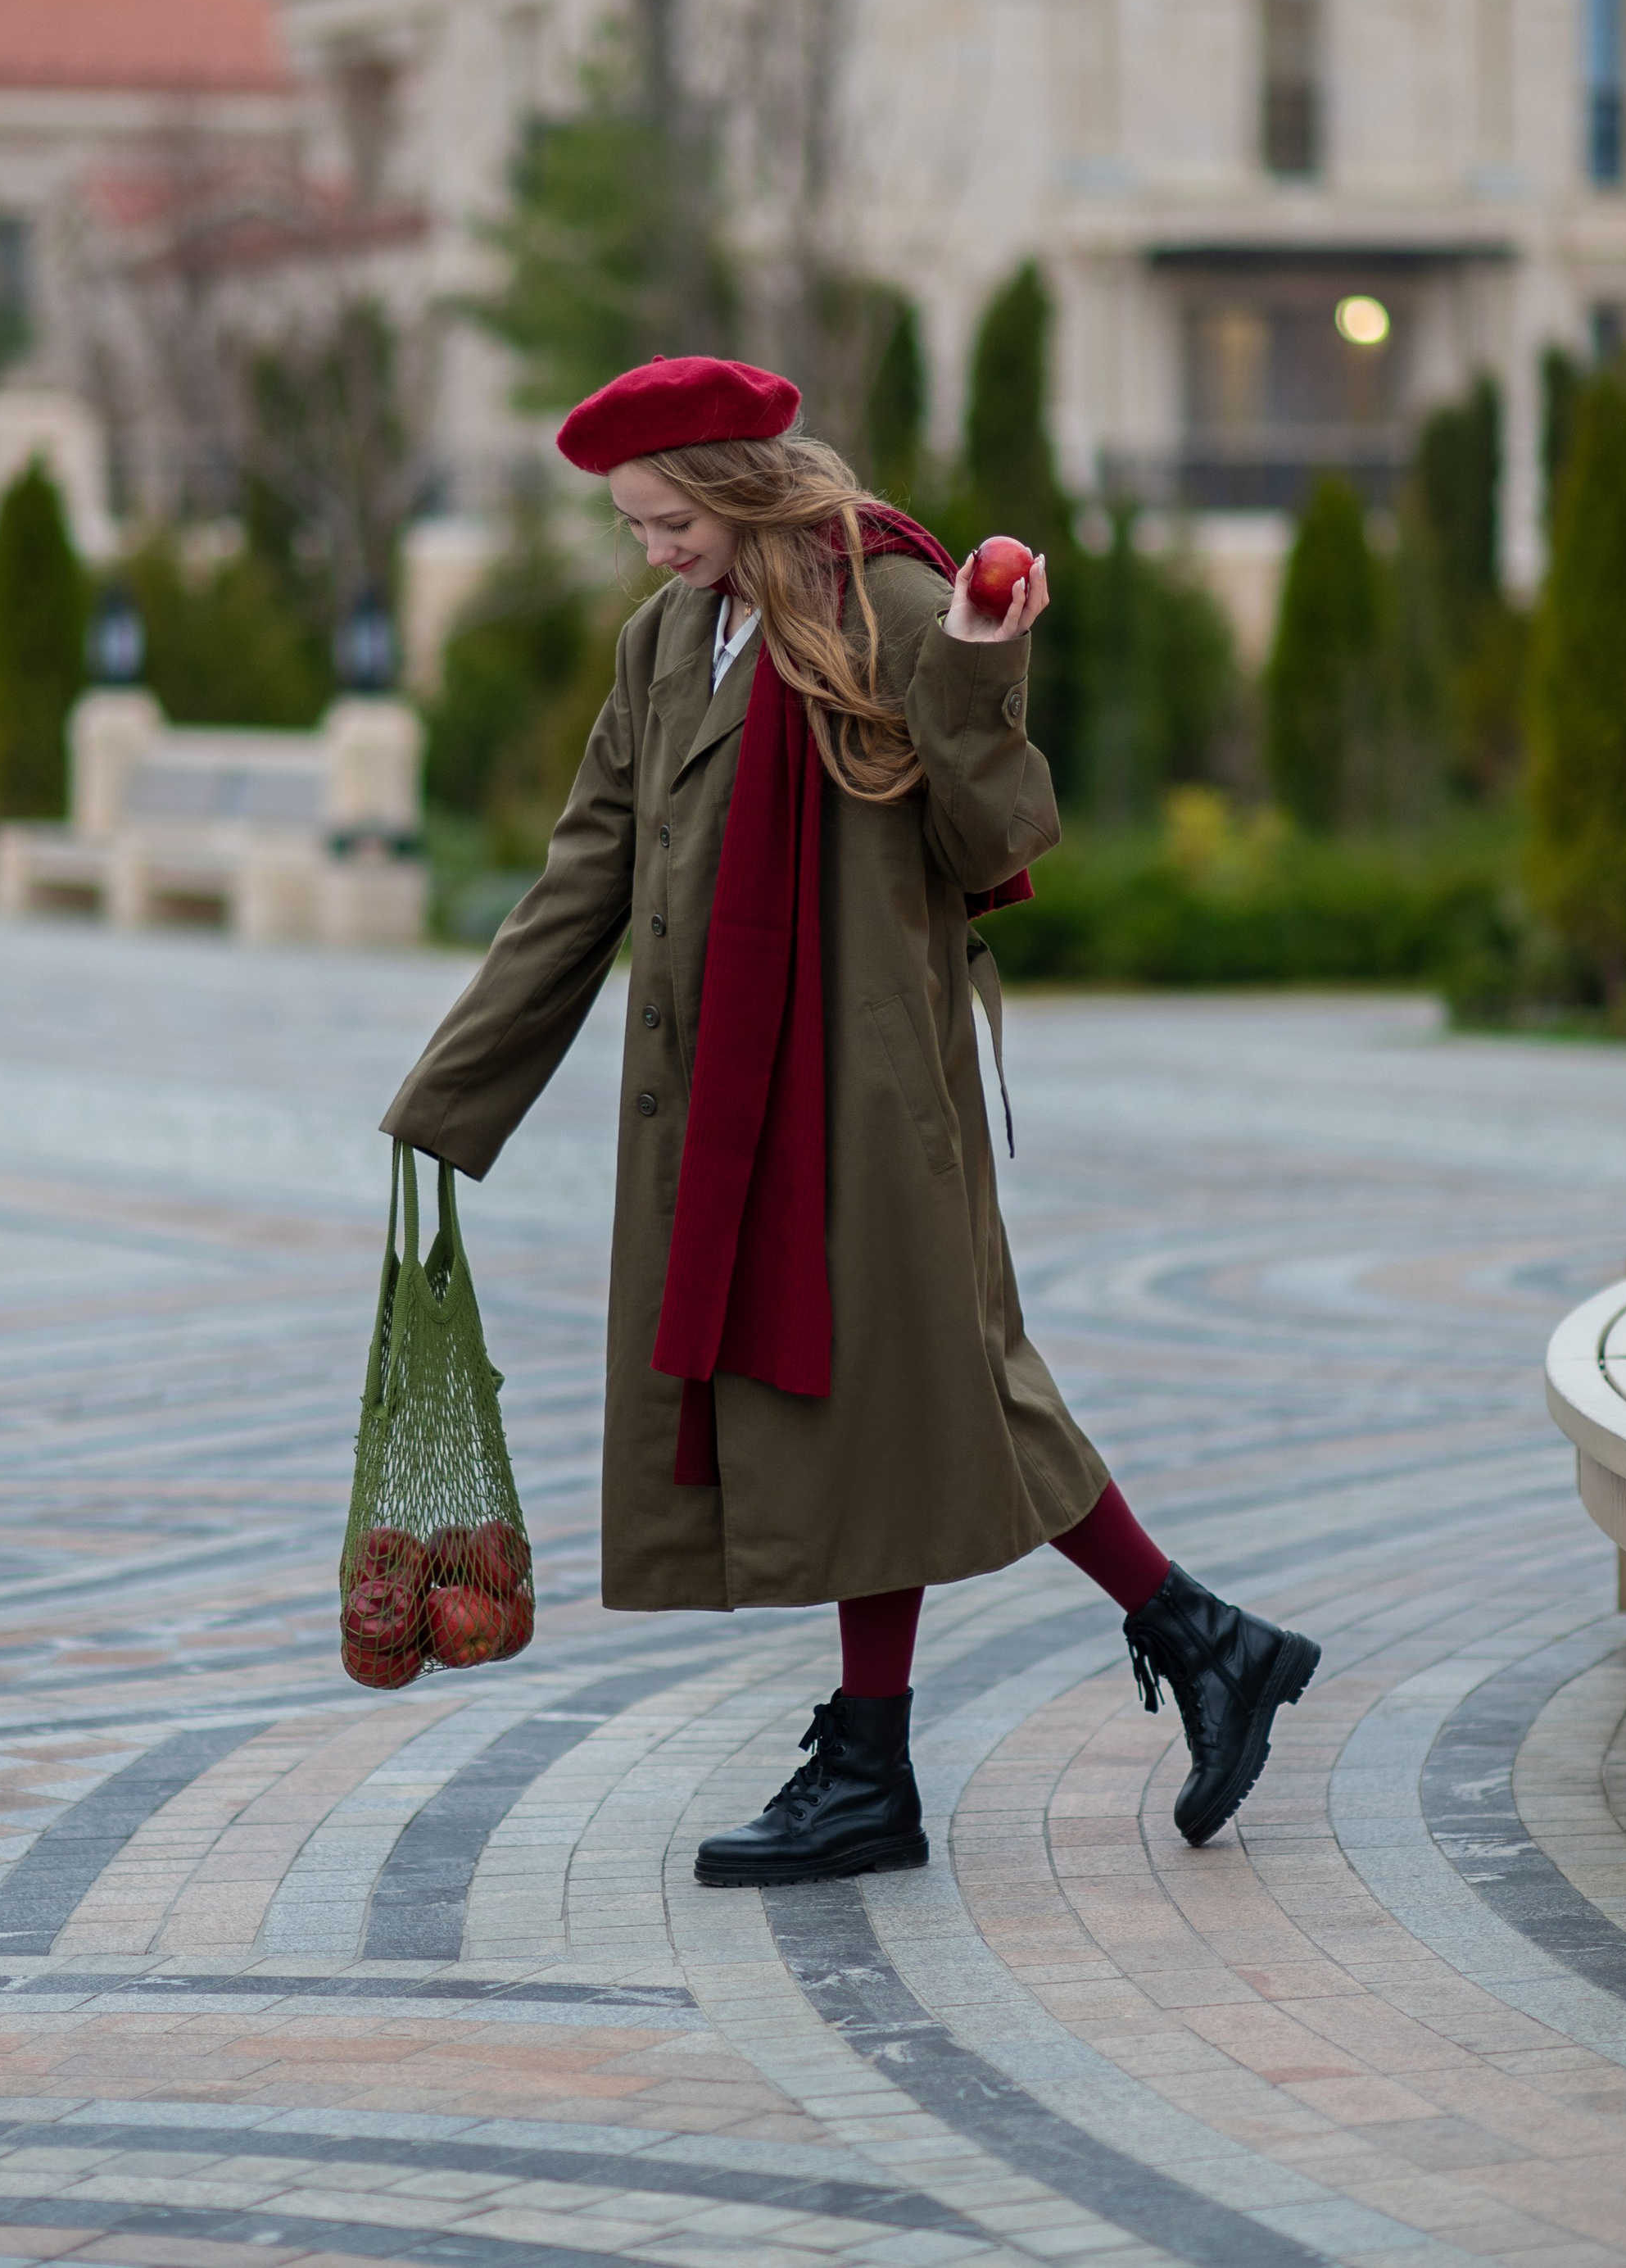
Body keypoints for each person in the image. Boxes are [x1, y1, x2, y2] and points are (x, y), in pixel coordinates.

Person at [383, 354, 1318, 1885]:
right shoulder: (666, 641)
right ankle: (1162, 1659)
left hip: (867, 1094)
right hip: (729, 1102)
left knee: (915, 1390)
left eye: (664, 517)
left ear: (738, 489)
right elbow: (582, 879)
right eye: (633, 527)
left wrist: (975, 665)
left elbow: (991, 835)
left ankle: (987, 1727)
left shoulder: (886, 602)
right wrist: (451, 1092)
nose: (650, 548)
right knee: (900, 1402)